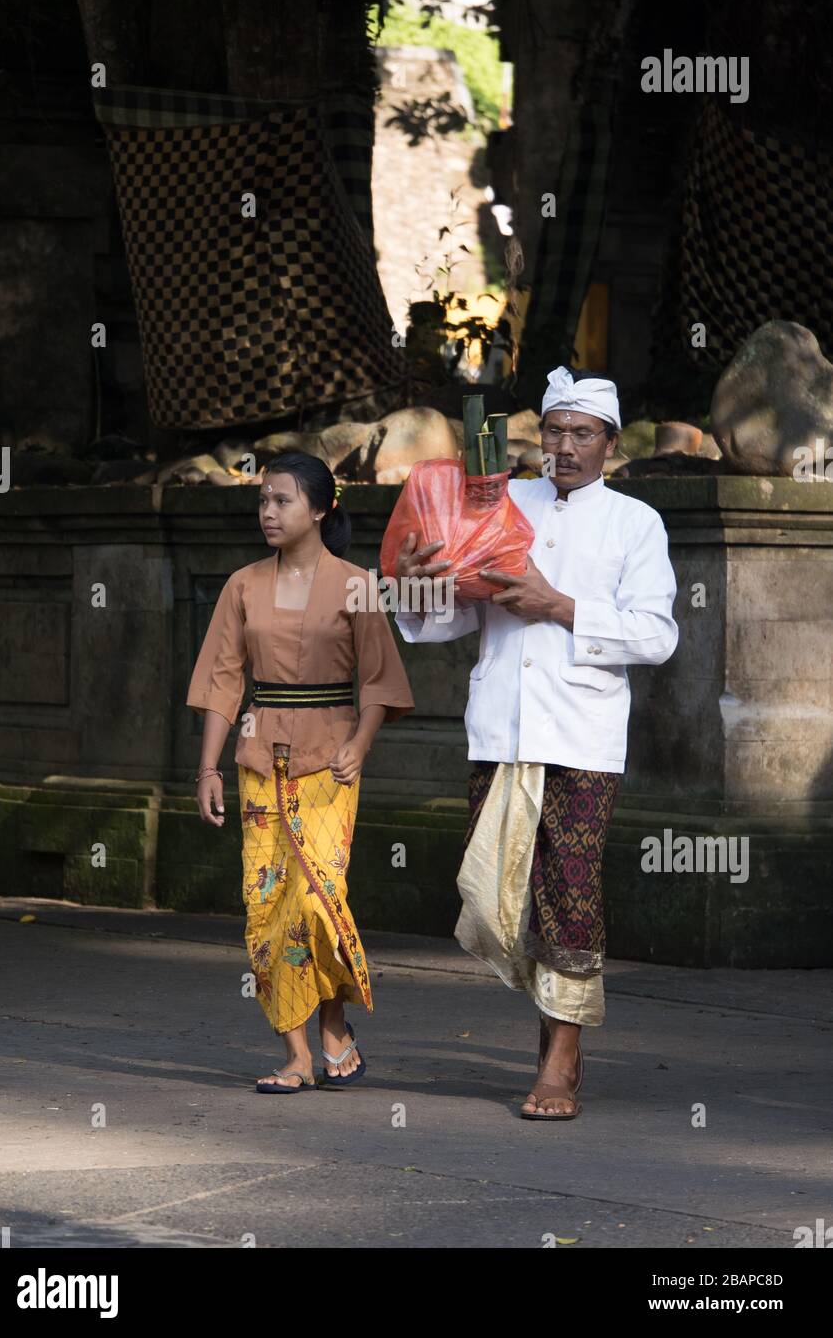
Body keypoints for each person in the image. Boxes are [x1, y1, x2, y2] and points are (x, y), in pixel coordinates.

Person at [394, 366, 678, 1121]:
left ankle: (561, 1055)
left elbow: (656, 635)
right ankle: (554, 1016)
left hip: (583, 733)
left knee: (569, 890)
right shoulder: (501, 502)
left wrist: (559, 606)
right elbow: (446, 616)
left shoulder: (634, 523)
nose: (566, 446)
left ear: (611, 444)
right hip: (501, 726)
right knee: (492, 898)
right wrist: (418, 584)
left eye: (583, 433)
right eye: (554, 431)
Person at [186, 452, 413, 1093]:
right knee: (265, 906)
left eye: (282, 501)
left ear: (319, 509)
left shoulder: (355, 585)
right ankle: (296, 1055)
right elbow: (223, 682)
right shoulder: (242, 585)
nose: (268, 512)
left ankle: (335, 1026)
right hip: (260, 759)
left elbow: (378, 679)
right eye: (262, 501)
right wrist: (208, 768)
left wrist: (363, 743)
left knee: (316, 900)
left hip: (330, 761)